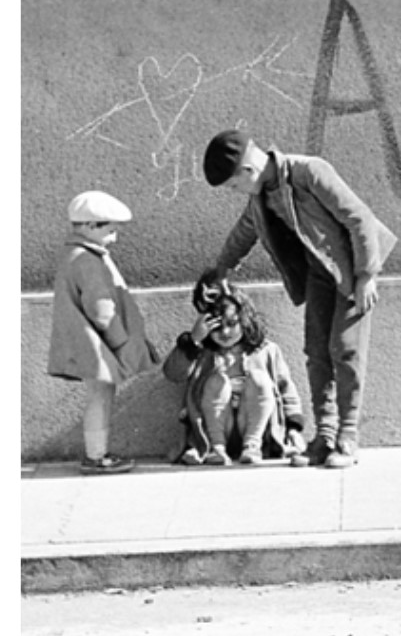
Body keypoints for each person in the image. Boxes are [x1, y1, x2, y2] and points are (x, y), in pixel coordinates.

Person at [202, 130, 396, 469]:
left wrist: (367, 276)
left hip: (349, 271)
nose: (237, 192)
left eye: (234, 185)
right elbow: (244, 231)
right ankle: (324, 436)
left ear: (248, 170)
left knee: (346, 349)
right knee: (317, 352)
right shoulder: (261, 197)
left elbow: (359, 217)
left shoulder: (309, 172)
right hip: (319, 274)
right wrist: (221, 270)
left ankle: (348, 438)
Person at [47, 191, 161, 475]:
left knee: (100, 395)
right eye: (110, 229)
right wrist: (121, 343)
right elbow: (101, 310)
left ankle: (98, 454)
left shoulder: (76, 255)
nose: (115, 235)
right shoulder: (88, 260)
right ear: (89, 226)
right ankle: (97, 456)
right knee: (100, 396)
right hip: (97, 345)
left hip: (89, 342)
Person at [164, 275, 307, 466]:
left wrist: (293, 428)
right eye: (217, 327)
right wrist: (193, 342)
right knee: (217, 381)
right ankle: (217, 450)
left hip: (257, 428)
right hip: (213, 430)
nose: (225, 333)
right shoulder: (202, 353)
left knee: (259, 379)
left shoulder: (266, 350)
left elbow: (286, 390)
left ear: (245, 320)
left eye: (232, 324)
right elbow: (173, 374)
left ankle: (252, 447)